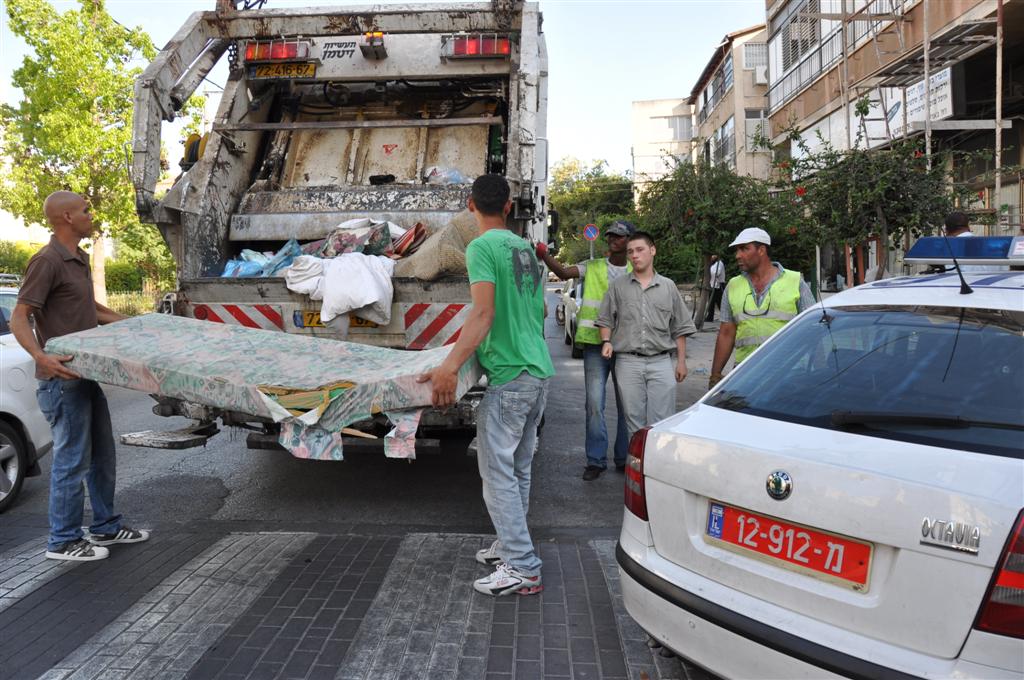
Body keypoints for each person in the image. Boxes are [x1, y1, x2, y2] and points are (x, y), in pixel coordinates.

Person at [419, 174, 553, 596]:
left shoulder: (480, 247)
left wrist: (449, 366)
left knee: (497, 476)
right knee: (518, 469)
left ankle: (522, 567)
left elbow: (483, 314)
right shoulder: (527, 250)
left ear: (469, 205)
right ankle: (511, 544)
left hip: (511, 377)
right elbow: (536, 312)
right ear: (510, 207)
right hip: (537, 372)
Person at [9, 191, 149, 562]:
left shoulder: (78, 259)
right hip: (62, 380)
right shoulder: (48, 261)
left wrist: (142, 325)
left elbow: (92, 309)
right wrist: (41, 356)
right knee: (72, 461)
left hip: (87, 374)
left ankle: (106, 524)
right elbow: (19, 316)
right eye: (86, 210)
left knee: (102, 455)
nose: (92, 214)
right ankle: (63, 540)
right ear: (67, 217)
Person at [537, 221, 634, 480]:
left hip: (626, 346)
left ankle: (624, 458)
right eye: (611, 235)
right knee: (594, 404)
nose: (614, 239)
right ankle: (595, 460)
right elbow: (564, 272)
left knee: (628, 406)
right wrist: (544, 254)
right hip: (594, 345)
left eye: (620, 236)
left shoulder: (639, 269)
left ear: (629, 241)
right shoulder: (593, 267)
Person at [597, 232, 695, 438]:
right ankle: (637, 468)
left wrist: (681, 362)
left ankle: (656, 466)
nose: (634, 255)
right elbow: (605, 319)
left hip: (661, 362)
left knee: (662, 421)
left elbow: (680, 327)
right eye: (630, 251)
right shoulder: (618, 286)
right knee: (634, 421)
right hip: (628, 362)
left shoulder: (668, 286)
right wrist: (606, 340)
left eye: (640, 250)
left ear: (652, 250)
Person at [709, 227, 815, 389]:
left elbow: (813, 330)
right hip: (745, 372)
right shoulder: (733, 286)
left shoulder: (795, 281)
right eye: (737, 250)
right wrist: (715, 375)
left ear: (761, 250)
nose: (738, 255)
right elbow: (726, 333)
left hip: (789, 374)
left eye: (744, 249)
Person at [705, 254, 726, 322]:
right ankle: (710, 317)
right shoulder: (713, 264)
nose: (712, 257)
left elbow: (717, 273)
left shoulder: (719, 263)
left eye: (714, 256)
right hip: (713, 285)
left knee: (720, 302)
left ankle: (725, 316)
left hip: (719, 285)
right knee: (711, 302)